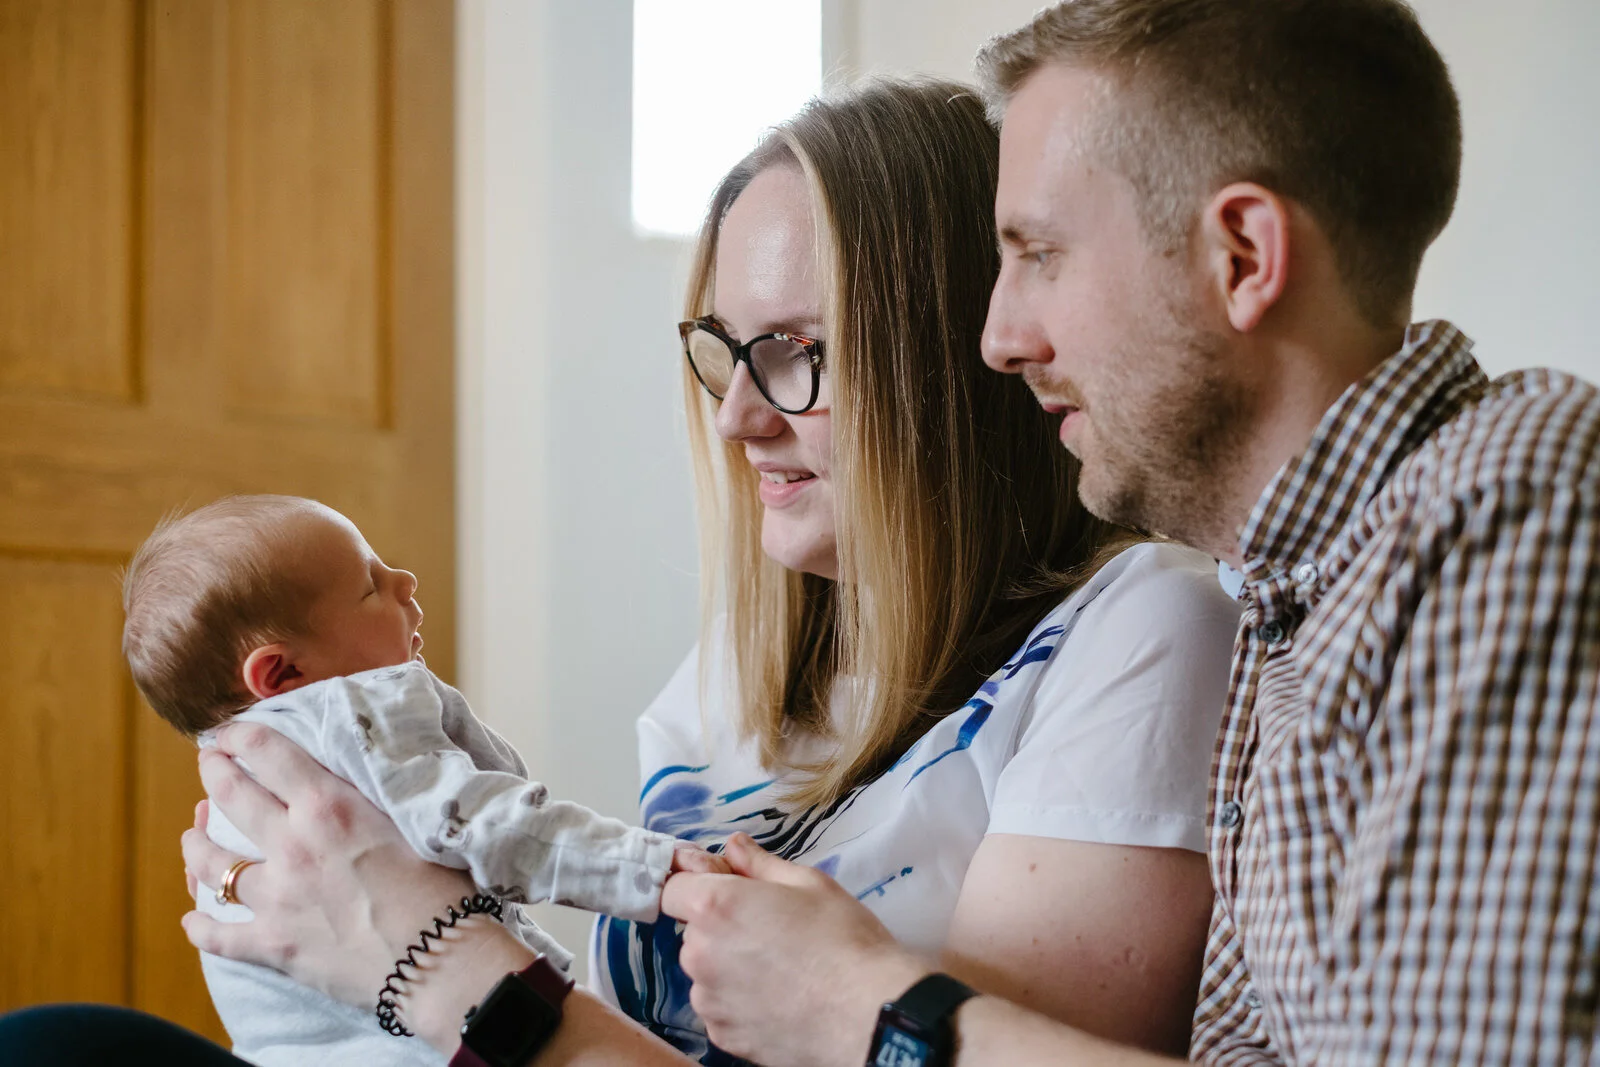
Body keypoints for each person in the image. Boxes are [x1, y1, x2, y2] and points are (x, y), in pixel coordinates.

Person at [0, 78, 1239, 1064]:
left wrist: (440, 967)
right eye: (722, 350)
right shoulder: (728, 687)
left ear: (961, 368)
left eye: (800, 349)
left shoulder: (1139, 633)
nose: (736, 417)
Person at [656, 2, 1600, 1067]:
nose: (998, 341)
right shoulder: (1293, 599)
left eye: (1038, 255)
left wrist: (867, 1007)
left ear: (1243, 255)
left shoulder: (1510, 504)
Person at [121, 495, 706, 1065]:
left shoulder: (238, 763)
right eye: (371, 585)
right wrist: (649, 869)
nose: (405, 580)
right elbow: (480, 824)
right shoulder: (350, 711)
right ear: (283, 670)